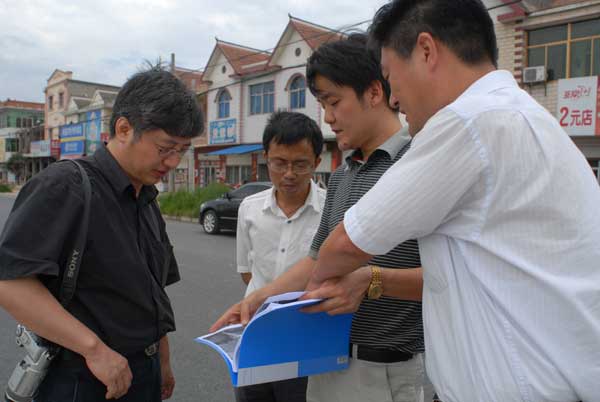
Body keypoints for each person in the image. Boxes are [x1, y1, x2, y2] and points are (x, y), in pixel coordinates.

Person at [304, 1, 600, 402]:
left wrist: (313, 293)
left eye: (391, 77)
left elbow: (345, 245)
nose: (394, 99)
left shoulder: (468, 121)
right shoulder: (526, 117)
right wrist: (369, 280)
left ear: (426, 51)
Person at [212, 34, 431, 402]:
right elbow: (316, 261)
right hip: (324, 362)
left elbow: (453, 276)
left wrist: (373, 280)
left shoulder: (421, 161)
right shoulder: (343, 175)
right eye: (322, 105)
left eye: (334, 102)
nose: (327, 117)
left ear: (374, 93)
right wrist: (258, 300)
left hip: (384, 369)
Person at [0, 68, 203, 401]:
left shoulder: (146, 198)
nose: (173, 162)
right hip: (84, 377)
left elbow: (150, 293)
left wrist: (161, 359)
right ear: (124, 129)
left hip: (143, 372)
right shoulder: (65, 186)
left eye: (182, 150)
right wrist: (94, 350)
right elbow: (10, 283)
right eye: (165, 148)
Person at [234, 111, 325, 402]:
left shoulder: (331, 210)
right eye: (279, 163)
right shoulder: (249, 208)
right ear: (266, 158)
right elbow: (247, 271)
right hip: (257, 334)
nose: (289, 173)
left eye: (300, 164)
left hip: (308, 338)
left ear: (316, 162)